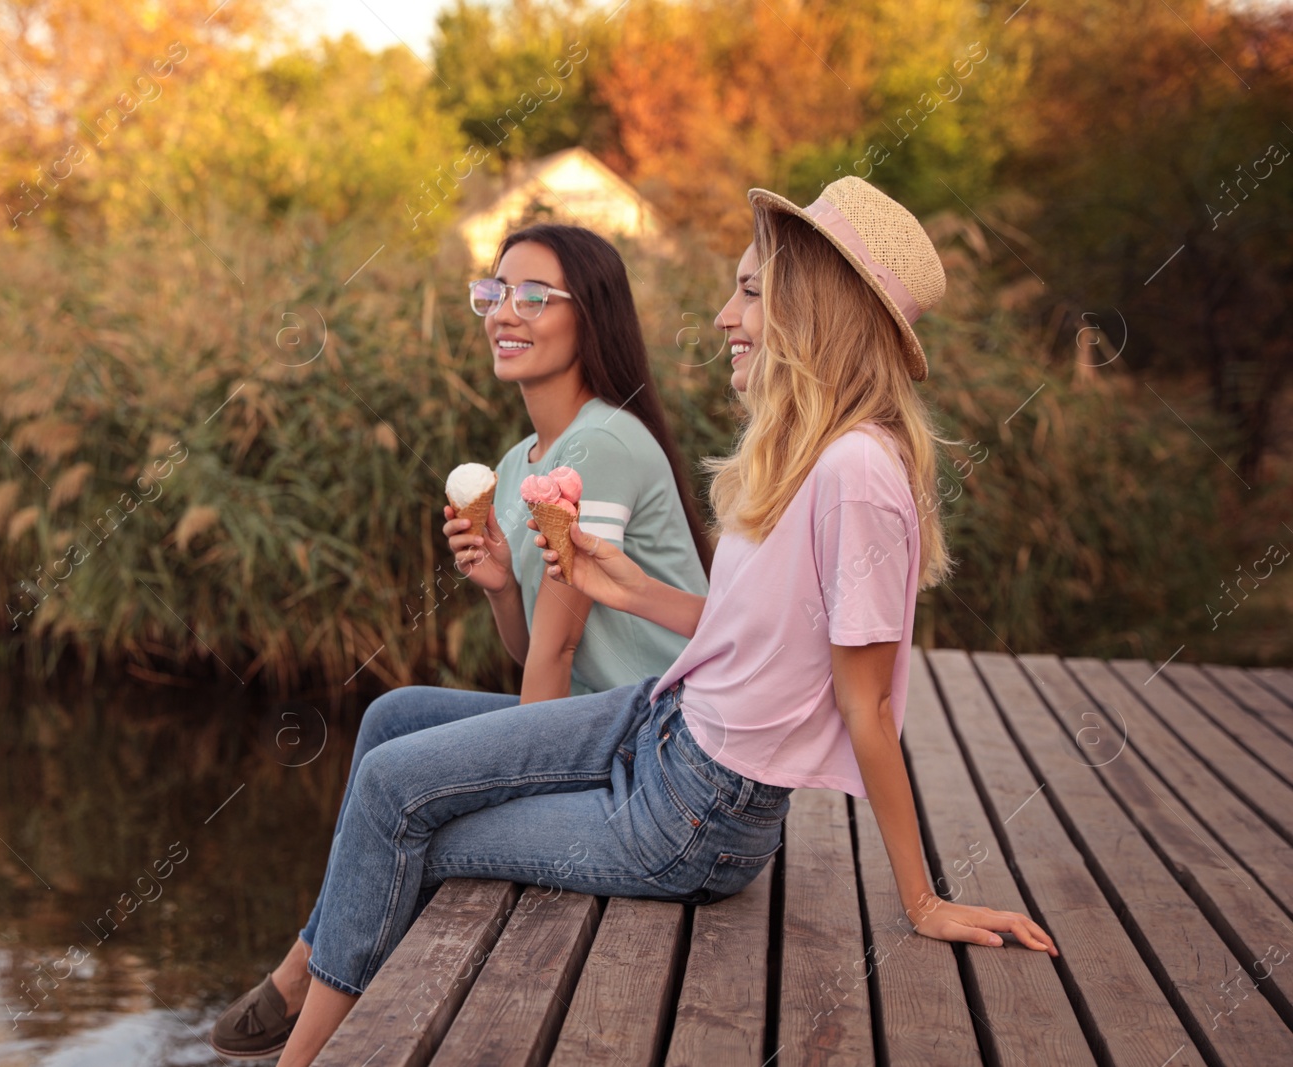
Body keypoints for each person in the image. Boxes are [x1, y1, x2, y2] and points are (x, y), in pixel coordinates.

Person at [264, 175, 1061, 1067]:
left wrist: (923, 900)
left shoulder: (859, 474)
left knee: (401, 807)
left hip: (692, 814)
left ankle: (299, 1052)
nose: (724, 315)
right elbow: (745, 630)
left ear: (818, 310)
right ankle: (302, 1002)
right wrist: (628, 586)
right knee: (394, 721)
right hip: (656, 723)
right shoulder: (807, 455)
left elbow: (868, 705)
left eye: (751, 291)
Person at [208, 223, 710, 1059]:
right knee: (394, 716)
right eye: (493, 292)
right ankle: (304, 961)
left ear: (594, 317)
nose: (503, 313)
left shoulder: (603, 445)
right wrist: (504, 586)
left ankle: (309, 1042)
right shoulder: (522, 462)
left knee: (395, 785)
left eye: (533, 297)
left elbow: (551, 663)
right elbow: (534, 649)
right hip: (598, 713)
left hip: (653, 738)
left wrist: (501, 778)